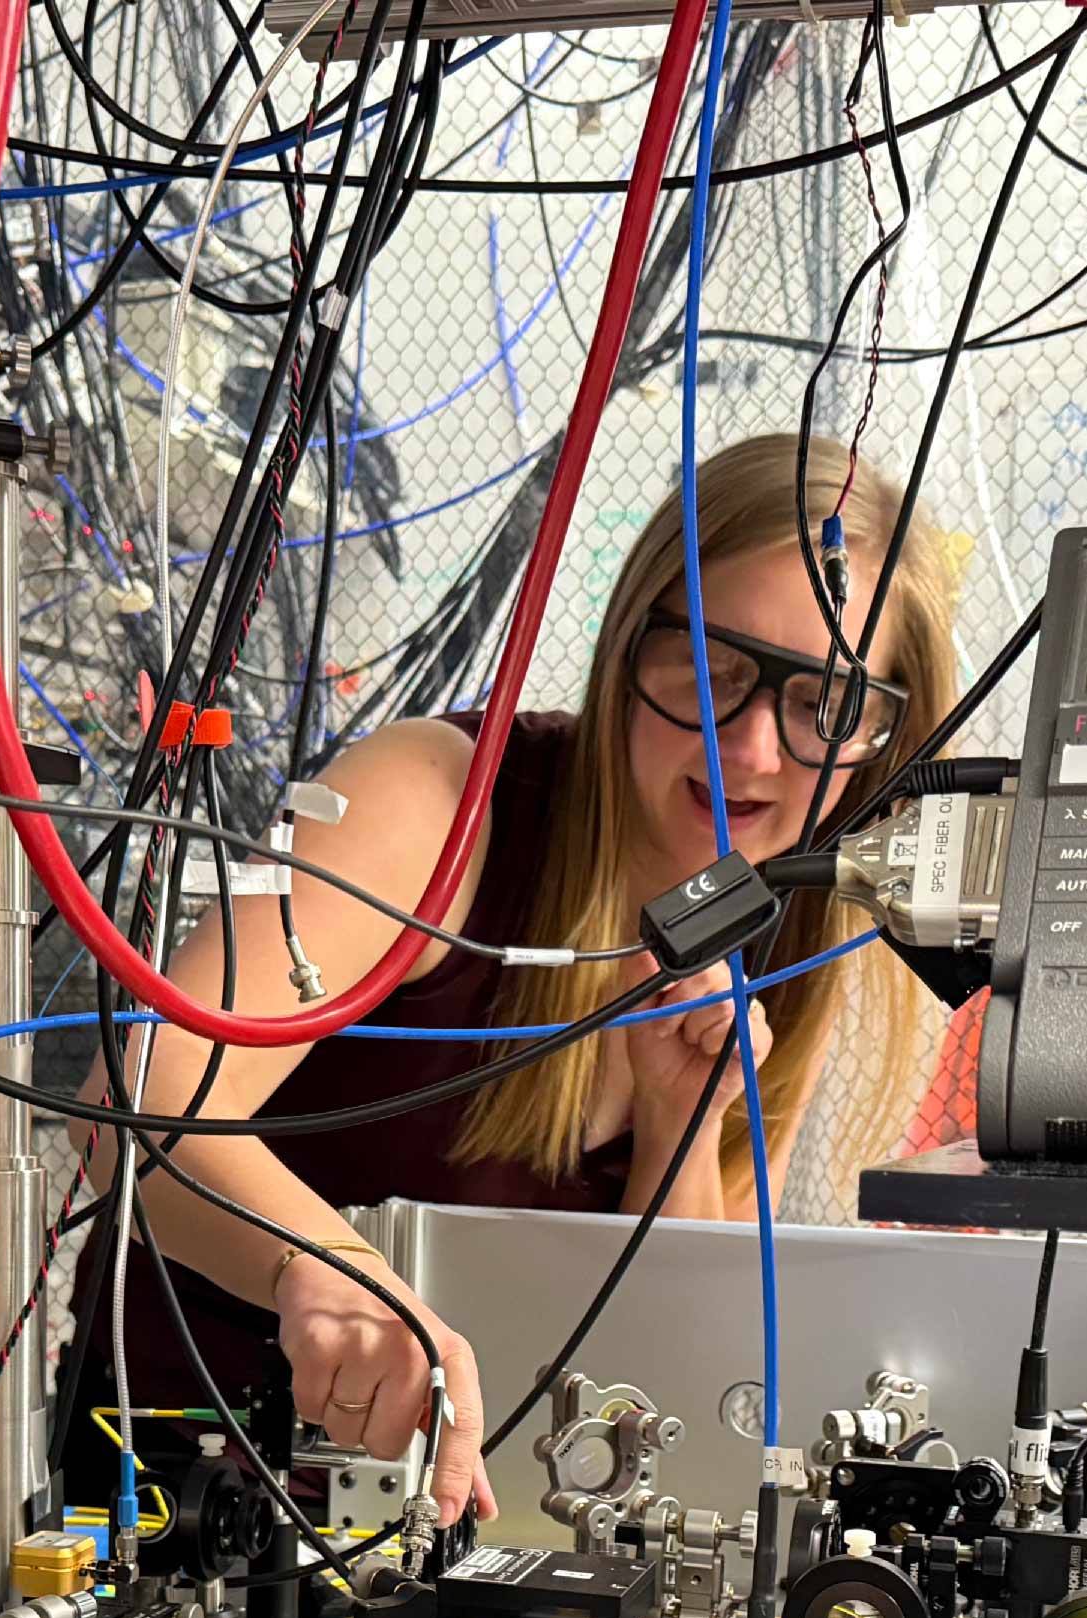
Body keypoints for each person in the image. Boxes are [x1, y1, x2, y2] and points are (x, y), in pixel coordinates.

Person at [62, 433, 959, 1526]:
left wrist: (681, 1120)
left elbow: (675, 1368)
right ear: (631, 641)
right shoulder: (439, 800)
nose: (753, 753)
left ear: (886, 735)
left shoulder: (780, 915)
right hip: (183, 1511)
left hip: (481, 1543)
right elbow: (133, 1099)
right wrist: (330, 1271)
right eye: (711, 673)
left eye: (825, 704)